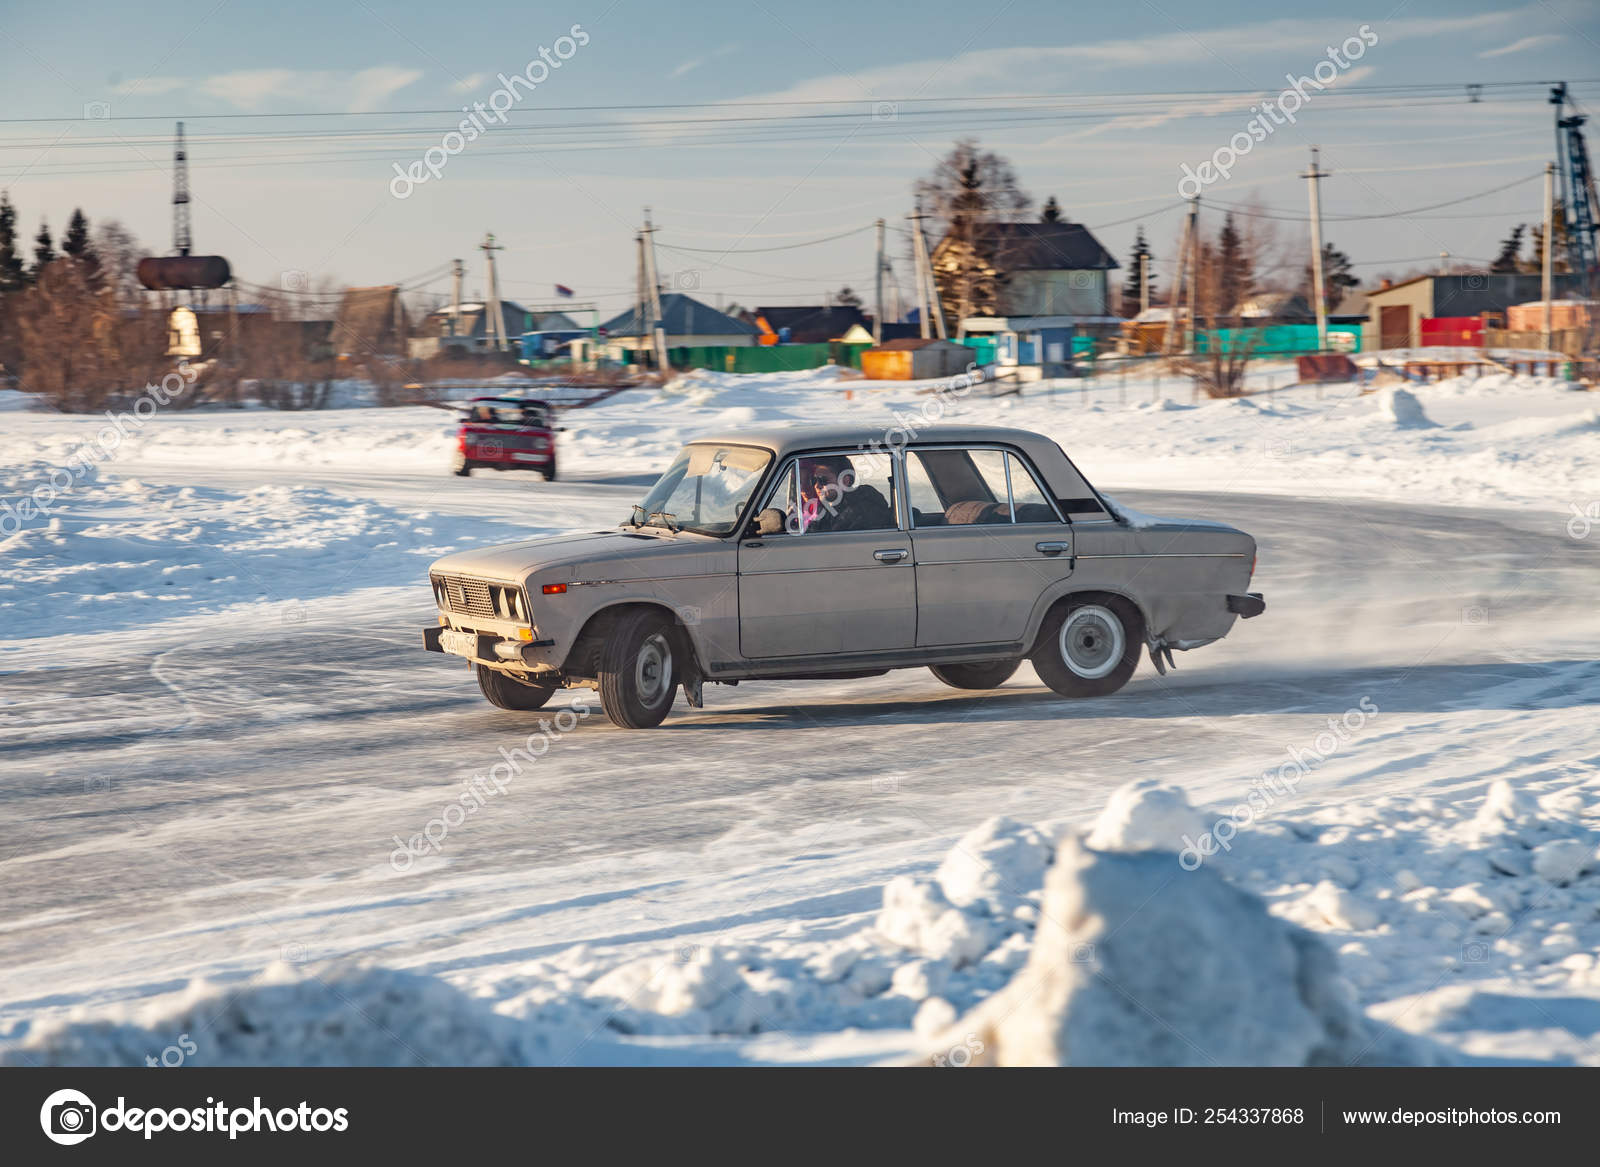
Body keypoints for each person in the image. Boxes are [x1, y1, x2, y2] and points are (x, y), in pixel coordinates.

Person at [799, 455, 895, 533]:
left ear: (845, 481)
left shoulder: (863, 509)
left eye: (822, 480)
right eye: (814, 480)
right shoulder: (827, 509)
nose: (816, 486)